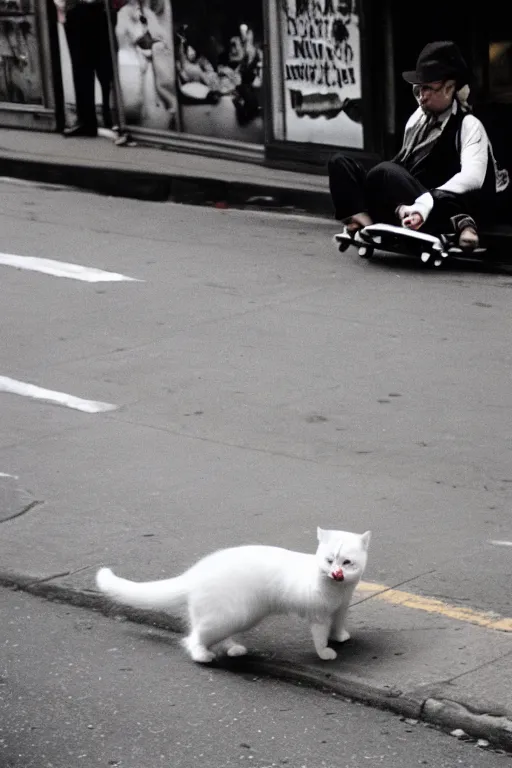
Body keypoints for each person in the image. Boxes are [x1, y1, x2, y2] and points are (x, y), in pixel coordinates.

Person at [328, 41, 509, 250]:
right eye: (418, 89)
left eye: (428, 89)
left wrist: (428, 200)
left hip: (440, 203)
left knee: (386, 172)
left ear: (449, 89)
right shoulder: (418, 119)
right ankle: (367, 223)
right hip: (407, 196)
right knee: (339, 164)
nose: (421, 96)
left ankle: (453, 223)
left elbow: (472, 178)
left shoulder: (469, 124)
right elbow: (405, 160)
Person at [55, 0, 116, 137]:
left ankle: (94, 119)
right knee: (96, 66)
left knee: (86, 67)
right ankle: (106, 117)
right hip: (94, 9)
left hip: (85, 8)